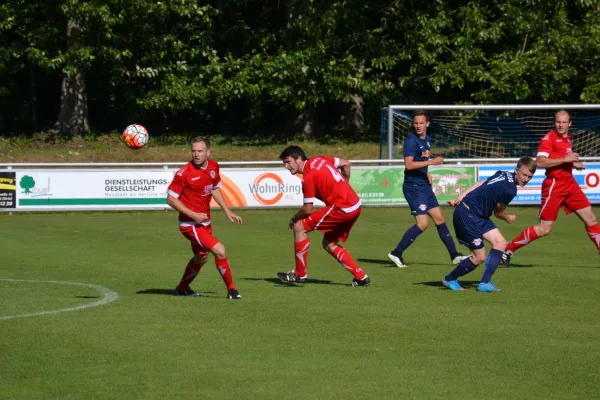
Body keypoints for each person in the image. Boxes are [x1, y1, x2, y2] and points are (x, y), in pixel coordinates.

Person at [502, 110, 600, 267]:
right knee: (544, 228)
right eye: (558, 122)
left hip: (569, 183)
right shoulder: (549, 138)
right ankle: (508, 248)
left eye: (563, 122)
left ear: (570, 123)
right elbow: (540, 162)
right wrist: (566, 159)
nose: (560, 125)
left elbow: (559, 160)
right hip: (555, 185)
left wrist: (572, 164)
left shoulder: (567, 138)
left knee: (591, 219)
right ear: (554, 122)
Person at [276, 145, 370, 286]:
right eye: (284, 163)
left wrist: (293, 218)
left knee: (299, 226)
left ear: (299, 159)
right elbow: (346, 164)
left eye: (288, 161)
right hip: (355, 205)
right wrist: (344, 186)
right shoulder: (320, 159)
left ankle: (300, 274)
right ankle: (361, 277)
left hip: (341, 208)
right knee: (329, 244)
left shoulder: (307, 177)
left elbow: (307, 210)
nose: (286, 166)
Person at [442, 156, 536, 292]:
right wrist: (507, 217)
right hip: (467, 215)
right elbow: (498, 214)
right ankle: (450, 278)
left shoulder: (503, 173)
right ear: (517, 170)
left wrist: (460, 197)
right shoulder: (510, 190)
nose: (526, 179)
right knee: (479, 257)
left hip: (478, 215)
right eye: (524, 174)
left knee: (501, 243)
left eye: (529, 177)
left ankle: (485, 283)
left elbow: (481, 183)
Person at [387, 110, 468, 268]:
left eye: (421, 123)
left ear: (427, 124)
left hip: (424, 185)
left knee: (440, 219)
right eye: (416, 123)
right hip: (414, 187)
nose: (418, 126)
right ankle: (396, 253)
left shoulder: (427, 140)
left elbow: (420, 160)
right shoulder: (411, 140)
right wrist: (431, 163)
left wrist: (427, 172)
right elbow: (409, 165)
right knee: (423, 224)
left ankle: (454, 255)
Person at [167, 136, 243, 299]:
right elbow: (171, 199)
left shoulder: (214, 166)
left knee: (201, 257)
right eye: (193, 151)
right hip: (190, 224)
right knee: (220, 251)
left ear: (208, 152)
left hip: (204, 223)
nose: (196, 154)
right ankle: (232, 290)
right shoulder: (184, 173)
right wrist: (193, 214)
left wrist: (227, 211)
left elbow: (214, 188)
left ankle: (182, 288)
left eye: (200, 151)